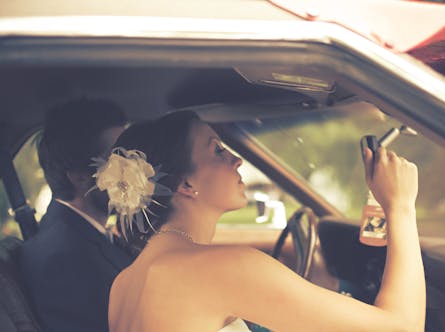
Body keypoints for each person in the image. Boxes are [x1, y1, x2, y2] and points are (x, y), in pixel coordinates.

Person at [102, 111, 425, 332]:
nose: (236, 159)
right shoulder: (221, 269)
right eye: (217, 151)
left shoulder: (125, 283)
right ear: (185, 186)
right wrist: (400, 206)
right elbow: (402, 327)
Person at [18, 98, 135, 332]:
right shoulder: (62, 260)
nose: (134, 171)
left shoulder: (82, 236)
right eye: (119, 161)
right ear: (81, 176)